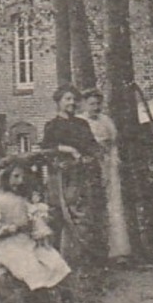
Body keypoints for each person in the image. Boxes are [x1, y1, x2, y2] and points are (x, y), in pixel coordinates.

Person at [0, 162, 71, 291]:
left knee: (55, 262)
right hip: (8, 244)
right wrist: (10, 228)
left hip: (27, 241)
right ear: (6, 178)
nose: (19, 181)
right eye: (15, 177)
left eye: (22, 177)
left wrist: (40, 230)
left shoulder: (22, 200)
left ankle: (55, 301)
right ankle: (38, 298)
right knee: (31, 268)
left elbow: (34, 219)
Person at [41, 86, 102, 263]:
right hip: (61, 177)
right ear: (59, 102)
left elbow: (92, 146)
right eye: (67, 99)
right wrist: (67, 149)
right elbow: (46, 148)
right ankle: (57, 259)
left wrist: (91, 157)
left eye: (74, 99)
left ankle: (82, 259)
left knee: (82, 215)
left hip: (81, 175)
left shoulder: (82, 124)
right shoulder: (52, 126)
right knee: (59, 213)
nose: (72, 103)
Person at [82, 89, 132, 262]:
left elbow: (113, 143)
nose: (95, 108)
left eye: (98, 104)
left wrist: (112, 160)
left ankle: (117, 251)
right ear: (84, 105)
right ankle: (94, 251)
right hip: (89, 167)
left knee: (113, 205)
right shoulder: (81, 122)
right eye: (91, 104)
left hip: (107, 165)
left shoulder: (106, 121)